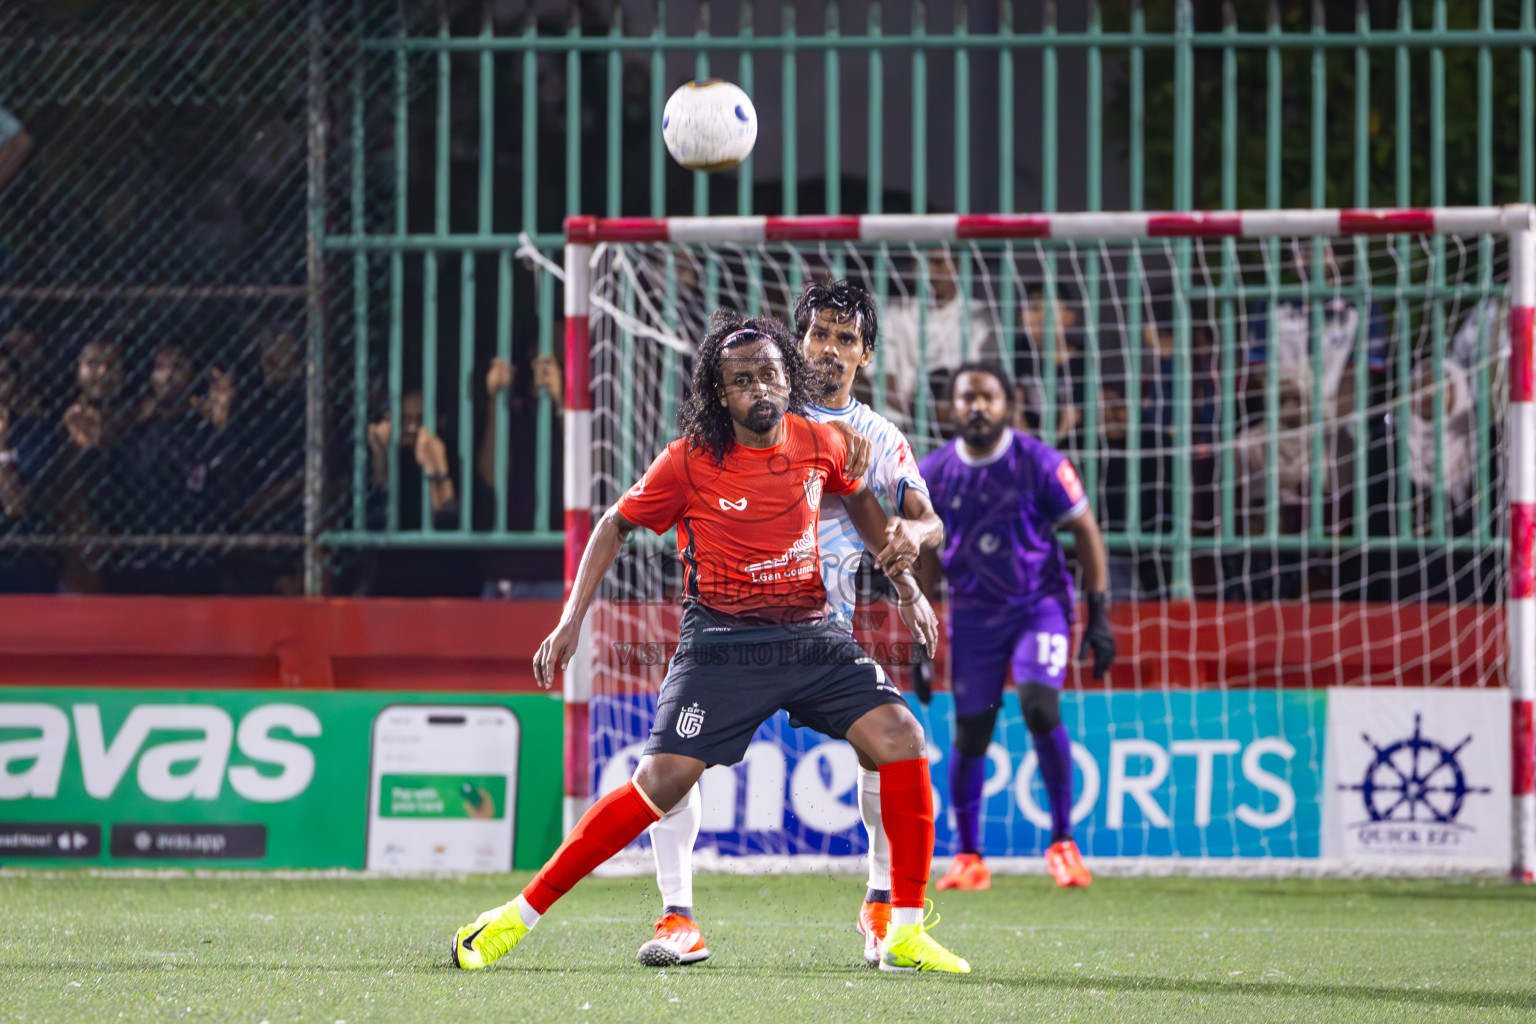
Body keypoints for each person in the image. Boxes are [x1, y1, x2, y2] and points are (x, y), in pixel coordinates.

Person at [450, 311, 971, 975]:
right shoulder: (689, 460)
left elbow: (863, 501)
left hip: (812, 634)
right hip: (721, 642)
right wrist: (571, 618)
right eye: (741, 380)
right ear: (718, 394)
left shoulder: (820, 441)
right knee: (662, 781)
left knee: (901, 736)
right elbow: (614, 524)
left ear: (789, 378)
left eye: (770, 375)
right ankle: (512, 919)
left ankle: (901, 931)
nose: (759, 389)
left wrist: (905, 588)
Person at [638, 280, 945, 968]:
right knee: (670, 769)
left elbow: (925, 517)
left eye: (845, 339)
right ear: (797, 342)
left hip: (821, 634)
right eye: (818, 336)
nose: (829, 350)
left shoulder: (879, 437)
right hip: (733, 625)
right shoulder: (757, 399)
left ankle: (880, 903)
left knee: (888, 749)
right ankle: (676, 916)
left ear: (865, 354)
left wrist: (911, 553)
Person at [914, 362, 1116, 891]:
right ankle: (969, 856)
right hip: (974, 616)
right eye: (965, 398)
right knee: (972, 729)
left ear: (1008, 404)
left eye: (987, 397)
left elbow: (1086, 532)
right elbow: (928, 558)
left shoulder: (1040, 463)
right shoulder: (933, 473)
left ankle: (1063, 843)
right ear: (950, 407)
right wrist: (921, 635)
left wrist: (1099, 615)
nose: (976, 407)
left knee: (1038, 703)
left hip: (1038, 607)